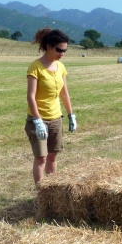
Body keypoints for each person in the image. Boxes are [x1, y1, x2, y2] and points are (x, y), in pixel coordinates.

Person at [25, 27, 77, 185]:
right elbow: (31, 96)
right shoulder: (35, 67)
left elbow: (64, 94)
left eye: (65, 51)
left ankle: (53, 191)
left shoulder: (61, 67)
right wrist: (37, 121)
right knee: (41, 158)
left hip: (56, 119)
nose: (62, 54)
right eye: (59, 50)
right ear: (48, 46)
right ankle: (41, 193)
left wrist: (71, 115)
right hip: (38, 119)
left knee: (52, 156)